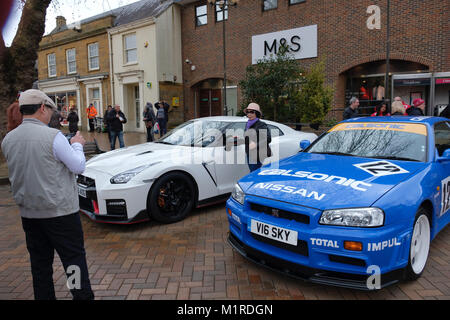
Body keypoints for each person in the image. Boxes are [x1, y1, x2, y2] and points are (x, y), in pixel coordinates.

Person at [1, 89, 94, 300]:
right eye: (50, 110)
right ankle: (81, 297)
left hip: (30, 215)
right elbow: (78, 166)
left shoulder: (8, 139)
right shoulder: (53, 137)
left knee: (40, 266)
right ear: (42, 108)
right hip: (60, 214)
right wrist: (78, 146)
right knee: (73, 263)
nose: (51, 114)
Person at [243, 103, 272, 172]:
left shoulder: (261, 125)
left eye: (252, 112)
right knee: (252, 172)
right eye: (248, 112)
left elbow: (268, 138)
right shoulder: (248, 123)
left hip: (258, 154)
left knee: (254, 173)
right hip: (249, 153)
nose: (249, 114)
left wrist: (256, 144)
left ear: (257, 114)